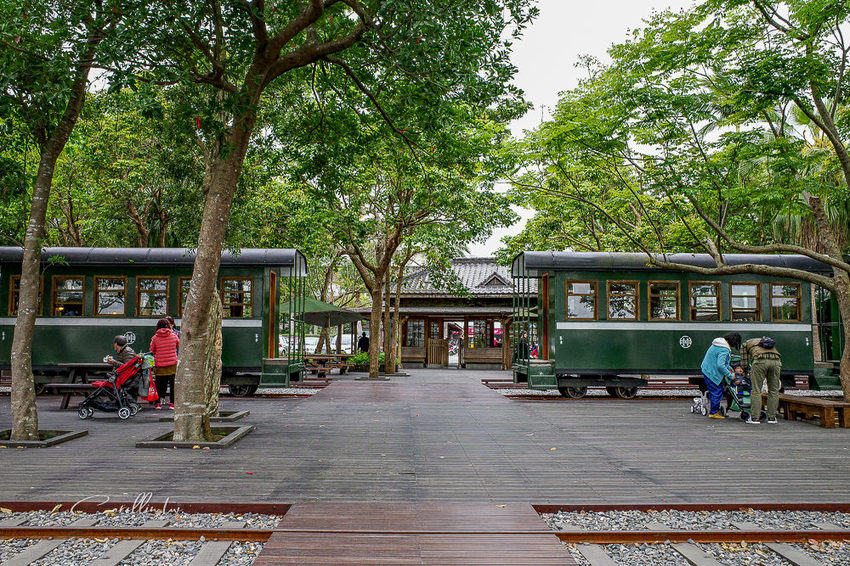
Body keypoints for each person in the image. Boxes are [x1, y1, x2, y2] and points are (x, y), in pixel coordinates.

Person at [700, 332, 741, 419]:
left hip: (707, 369)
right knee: (716, 392)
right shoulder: (724, 349)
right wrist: (730, 375)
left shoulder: (718, 344)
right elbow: (720, 365)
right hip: (712, 372)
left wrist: (729, 368)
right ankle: (714, 413)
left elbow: (721, 362)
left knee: (716, 391)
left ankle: (716, 410)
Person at [742, 336, 782, 424]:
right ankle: (772, 418)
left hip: (760, 361)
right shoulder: (767, 341)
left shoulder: (745, 344)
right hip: (776, 361)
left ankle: (755, 418)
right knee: (774, 391)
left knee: (756, 390)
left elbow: (744, 361)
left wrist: (745, 371)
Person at [150, 318, 179, 409]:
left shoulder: (155, 338)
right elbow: (179, 346)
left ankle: (158, 403)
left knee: (159, 384)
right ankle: (172, 404)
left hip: (160, 365)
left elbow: (152, 351)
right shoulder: (174, 336)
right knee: (173, 385)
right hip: (172, 364)